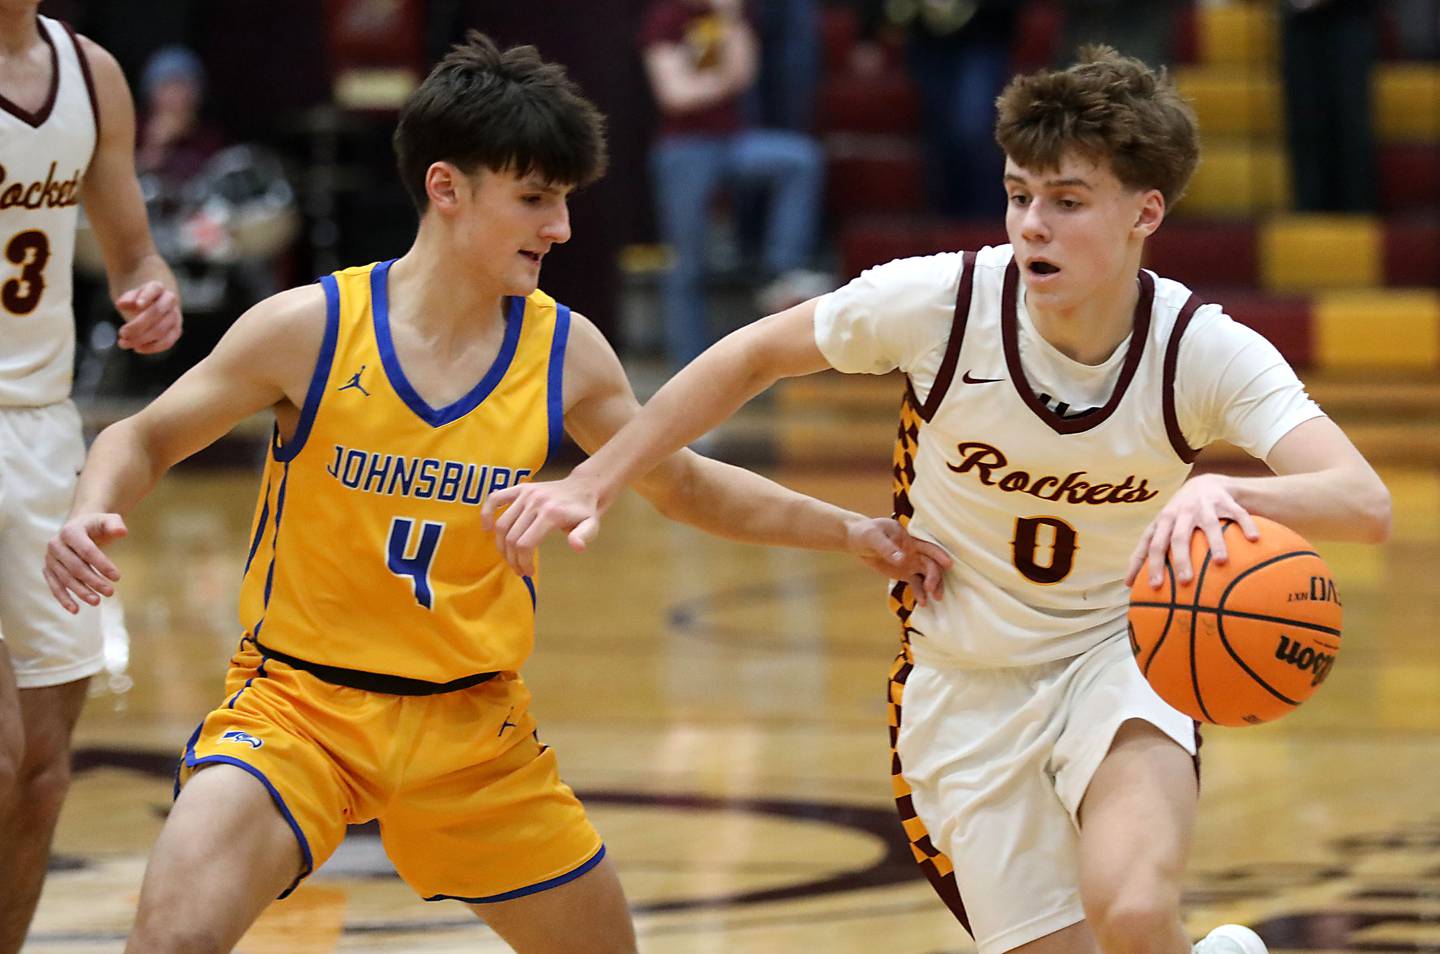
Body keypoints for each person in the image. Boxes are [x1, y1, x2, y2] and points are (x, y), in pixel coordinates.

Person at [42, 32, 944, 954]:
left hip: (474, 730)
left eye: (562, 201)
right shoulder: (312, 328)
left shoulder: (567, 351)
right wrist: (91, 505)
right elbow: (141, 435)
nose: (559, 227)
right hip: (299, 710)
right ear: (446, 188)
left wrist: (850, 531)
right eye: (534, 199)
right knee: (171, 941)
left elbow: (681, 483)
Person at [484, 47, 1393, 954]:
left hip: (1118, 655)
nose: (1032, 224)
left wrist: (1228, 489)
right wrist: (593, 477)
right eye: (1017, 194)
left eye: (1066, 202)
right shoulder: (943, 303)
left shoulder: (1198, 347)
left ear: (1143, 213)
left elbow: (1362, 500)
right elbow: (753, 354)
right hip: (961, 686)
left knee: (1137, 913)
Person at [0, 5, 183, 952]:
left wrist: (149, 288)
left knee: (41, 777)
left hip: (41, 433)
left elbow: (132, 247)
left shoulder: (91, 73)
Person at [641, 0, 829, 366]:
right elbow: (674, 96)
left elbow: (744, 75)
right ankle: (689, 364)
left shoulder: (732, 16)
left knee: (800, 160)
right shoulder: (666, 18)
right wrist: (720, 82)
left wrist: (730, 19)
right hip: (683, 149)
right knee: (687, 265)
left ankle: (781, 267)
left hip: (730, 141)